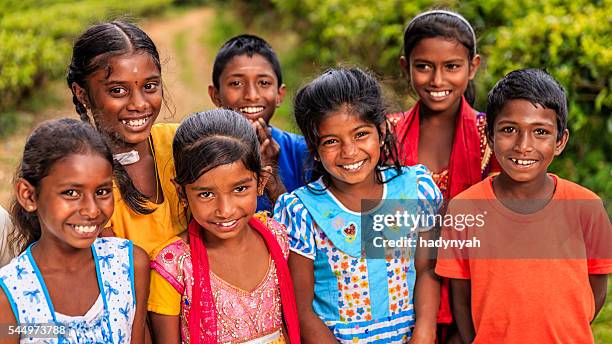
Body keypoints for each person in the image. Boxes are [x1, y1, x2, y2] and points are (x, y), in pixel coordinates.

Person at [435, 69, 612, 343]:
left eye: (540, 132)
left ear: (560, 141)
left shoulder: (586, 207)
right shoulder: (463, 210)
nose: (523, 145)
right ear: (491, 137)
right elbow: (462, 299)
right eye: (509, 130)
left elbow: (596, 290)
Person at [275, 68, 443, 343]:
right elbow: (301, 310)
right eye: (331, 141)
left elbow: (426, 269)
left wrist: (424, 333)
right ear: (313, 148)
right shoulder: (302, 211)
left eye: (360, 134)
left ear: (382, 130)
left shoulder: (414, 189)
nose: (349, 152)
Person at [387, 11, 498, 339]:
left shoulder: (489, 136)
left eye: (452, 66)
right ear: (405, 67)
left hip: (474, 290)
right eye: (424, 67)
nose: (437, 81)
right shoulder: (387, 135)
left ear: (472, 66)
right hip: (400, 296)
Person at [147, 109, 300, 343]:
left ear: (261, 182)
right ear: (182, 193)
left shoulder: (279, 237)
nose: (225, 210)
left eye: (240, 189)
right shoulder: (172, 267)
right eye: (206, 194)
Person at [0, 118, 149, 343]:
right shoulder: (10, 295)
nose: (91, 210)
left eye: (102, 192)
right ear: (29, 195)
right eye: (71, 193)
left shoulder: (129, 265)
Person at [67, 21, 186, 254]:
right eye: (118, 91)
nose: (139, 104)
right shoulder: (84, 178)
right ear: (82, 94)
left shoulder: (182, 144)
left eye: (150, 86)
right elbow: (117, 272)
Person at [208, 34, 310, 211]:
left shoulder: (302, 152)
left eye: (263, 82)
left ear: (280, 94)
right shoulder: (201, 154)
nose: (251, 95)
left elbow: (312, 230)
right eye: (236, 83)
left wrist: (272, 176)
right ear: (215, 95)